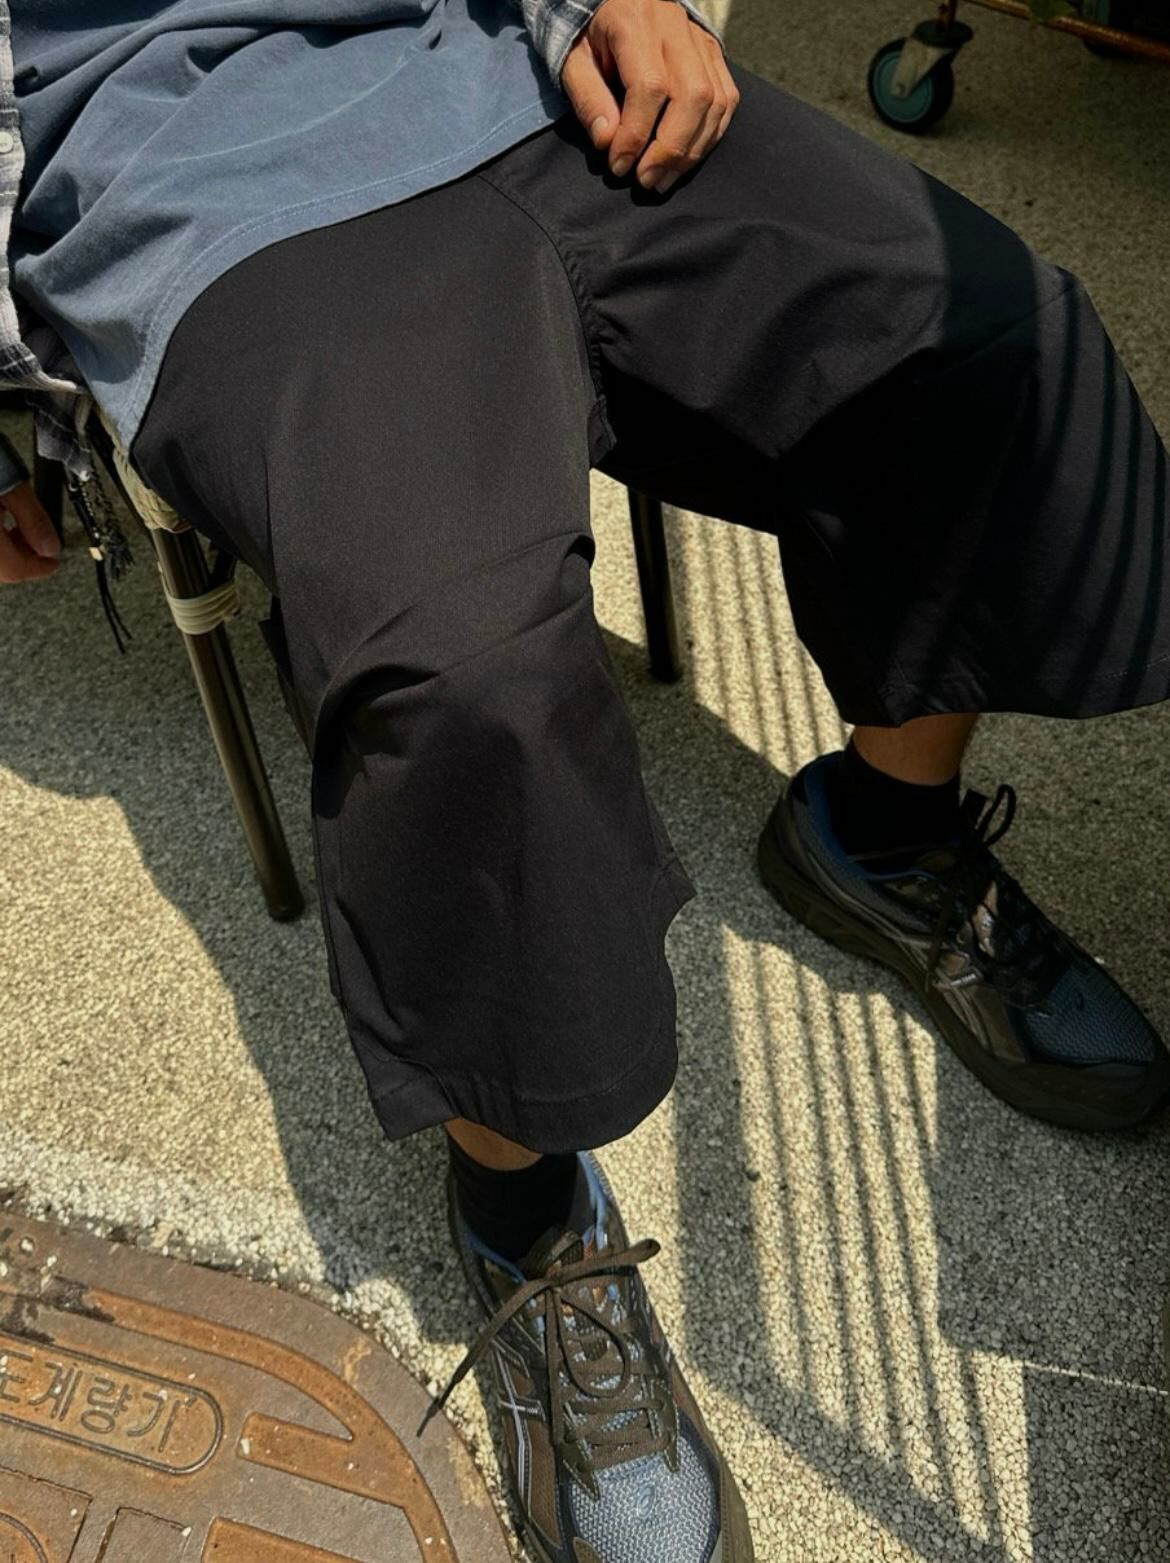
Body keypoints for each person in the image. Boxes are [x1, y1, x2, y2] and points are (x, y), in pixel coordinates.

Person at [2, 4, 1168, 1560]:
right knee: (467, 676)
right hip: (196, 185)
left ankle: (884, 838)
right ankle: (525, 1218)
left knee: (993, 339)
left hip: (505, 54)